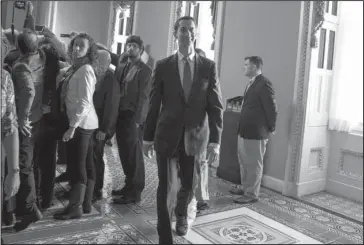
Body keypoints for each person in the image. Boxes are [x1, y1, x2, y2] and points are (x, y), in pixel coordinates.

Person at [143, 16, 224, 244]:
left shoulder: (208, 67)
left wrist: (215, 142)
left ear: (195, 34)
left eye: (191, 29)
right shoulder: (163, 66)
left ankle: (181, 215)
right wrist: (147, 137)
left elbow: (216, 105)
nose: (186, 33)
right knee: (166, 188)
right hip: (167, 135)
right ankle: (164, 237)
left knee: (189, 185)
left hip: (196, 138)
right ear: (175, 33)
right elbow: (154, 103)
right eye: (182, 29)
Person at [98, 36, 152, 204]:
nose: (130, 48)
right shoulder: (122, 65)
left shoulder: (145, 70)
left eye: (134, 46)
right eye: (129, 45)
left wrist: (138, 120)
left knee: (133, 155)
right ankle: (128, 185)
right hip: (120, 115)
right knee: (124, 153)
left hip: (133, 117)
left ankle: (135, 191)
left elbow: (145, 97)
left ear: (141, 50)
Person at [53, 33, 99, 220]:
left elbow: (85, 102)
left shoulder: (86, 69)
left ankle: (75, 208)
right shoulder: (75, 68)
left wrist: (72, 127)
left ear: (89, 51)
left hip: (81, 125)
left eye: (81, 46)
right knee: (86, 164)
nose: (76, 48)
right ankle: (85, 204)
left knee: (77, 165)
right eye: (75, 45)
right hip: (82, 123)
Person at [230, 56, 277, 204]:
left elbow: (271, 108)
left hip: (257, 132)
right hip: (245, 130)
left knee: (254, 163)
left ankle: (251, 194)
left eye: (247, 65)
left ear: (256, 67)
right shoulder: (251, 83)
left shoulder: (264, 83)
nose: (244, 67)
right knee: (244, 161)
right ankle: (245, 188)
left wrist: (271, 127)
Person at [12, 28, 45, 232]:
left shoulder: (20, 66)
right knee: (32, 164)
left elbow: (29, 91)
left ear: (18, 47)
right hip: (39, 118)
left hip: (28, 123)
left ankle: (30, 209)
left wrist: (22, 117)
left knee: (24, 167)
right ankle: (35, 200)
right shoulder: (41, 57)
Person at [92, 50, 120, 201]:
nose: (96, 63)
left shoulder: (111, 81)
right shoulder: (97, 75)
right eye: (95, 60)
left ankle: (97, 189)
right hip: (91, 124)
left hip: (101, 127)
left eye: (99, 61)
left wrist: (104, 129)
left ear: (107, 64)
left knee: (97, 157)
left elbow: (111, 108)